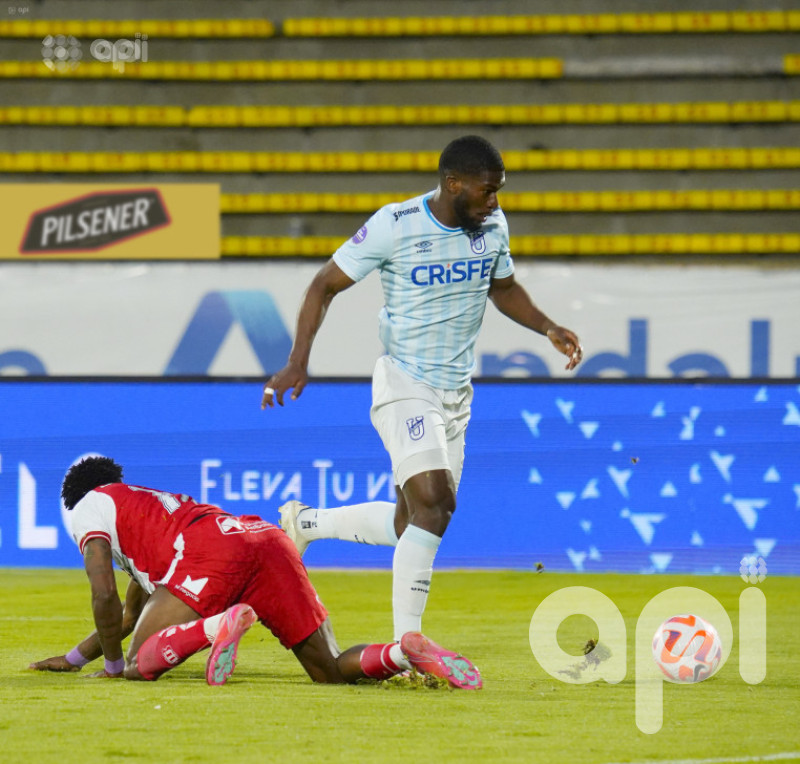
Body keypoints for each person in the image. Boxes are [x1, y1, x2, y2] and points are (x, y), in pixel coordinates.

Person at [261, 135, 583, 642]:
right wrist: (297, 361)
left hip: (457, 393)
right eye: (487, 190)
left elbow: (502, 288)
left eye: (498, 191)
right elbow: (324, 283)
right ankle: (407, 647)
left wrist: (547, 327)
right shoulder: (396, 225)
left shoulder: (492, 227)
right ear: (453, 184)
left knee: (408, 523)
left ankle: (306, 525)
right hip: (405, 381)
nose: (495, 201)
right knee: (435, 504)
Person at [30, 456, 482, 690]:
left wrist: (111, 664)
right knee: (330, 670)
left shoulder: (88, 506)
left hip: (211, 552)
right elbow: (130, 614)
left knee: (136, 665)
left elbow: (103, 594)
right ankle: (403, 653)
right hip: (262, 537)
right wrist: (73, 659)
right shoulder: (142, 514)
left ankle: (216, 626)